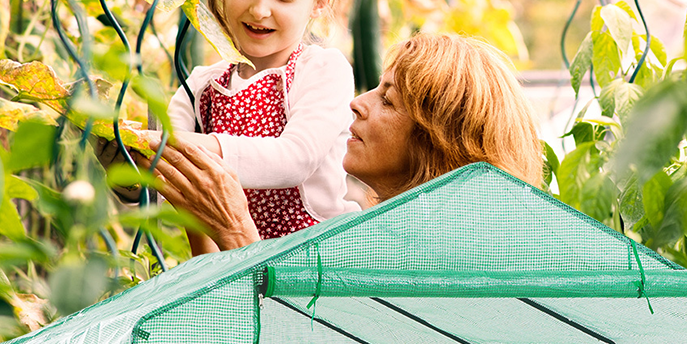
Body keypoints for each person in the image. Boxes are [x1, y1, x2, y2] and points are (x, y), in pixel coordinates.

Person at [150, 33, 544, 250]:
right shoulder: (366, 235)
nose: (357, 103)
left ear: (437, 142)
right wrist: (201, 215)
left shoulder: (434, 258)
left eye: (387, 100)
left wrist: (236, 228)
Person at [167, 0, 357, 252]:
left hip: (317, 271)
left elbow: (294, 160)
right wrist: (127, 163)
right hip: (235, 272)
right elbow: (161, 184)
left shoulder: (323, 71)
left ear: (320, 2)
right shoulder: (200, 87)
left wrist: (183, 145)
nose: (259, 9)